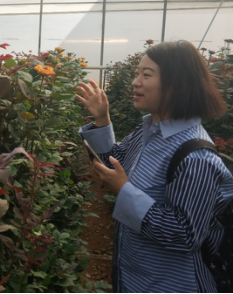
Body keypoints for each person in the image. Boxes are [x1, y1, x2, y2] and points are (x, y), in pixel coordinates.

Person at [75, 40, 233, 292]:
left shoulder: (196, 158)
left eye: (146, 75)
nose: (135, 82)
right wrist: (102, 118)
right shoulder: (149, 131)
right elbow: (112, 164)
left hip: (171, 284)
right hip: (135, 277)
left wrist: (124, 191)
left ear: (176, 84)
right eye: (137, 73)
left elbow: (185, 235)